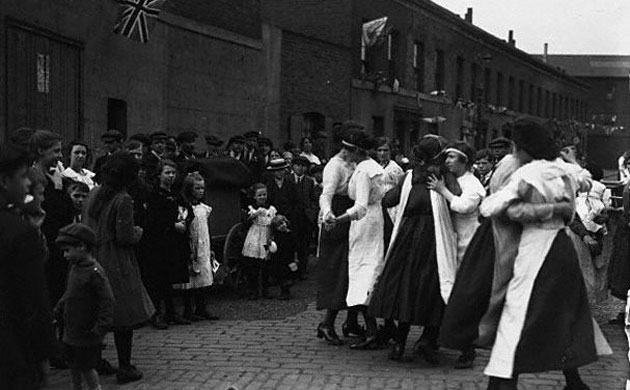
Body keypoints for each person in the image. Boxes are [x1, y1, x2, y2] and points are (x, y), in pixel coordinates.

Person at [479, 118, 596, 390]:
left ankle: (502, 383)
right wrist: (573, 162)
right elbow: (586, 180)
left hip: (535, 249)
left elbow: (493, 207)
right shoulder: (563, 169)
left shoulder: (524, 172)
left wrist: (543, 210)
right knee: (560, 311)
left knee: (517, 314)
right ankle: (573, 379)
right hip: (562, 246)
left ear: (522, 146)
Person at [368, 135, 458, 363]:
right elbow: (458, 197)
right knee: (433, 285)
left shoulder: (409, 176)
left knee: (404, 284)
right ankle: (427, 340)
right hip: (432, 237)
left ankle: (400, 341)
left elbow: (388, 200)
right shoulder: (443, 176)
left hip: (408, 235)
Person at [83, 151, 154, 384]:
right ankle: (125, 366)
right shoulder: (123, 199)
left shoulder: (94, 193)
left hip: (93, 255)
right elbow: (124, 236)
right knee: (123, 312)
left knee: (96, 309)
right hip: (116, 259)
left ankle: (96, 359)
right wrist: (138, 233)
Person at [0, 143, 55, 390]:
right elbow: (34, 301)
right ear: (4, 180)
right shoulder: (19, 232)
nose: (26, 186)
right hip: (13, 351)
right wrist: (44, 356)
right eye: (22, 177)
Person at [330, 129, 385, 349]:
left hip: (364, 224)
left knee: (363, 272)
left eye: (349, 150)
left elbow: (360, 207)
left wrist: (338, 219)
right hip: (375, 220)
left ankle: (372, 331)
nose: (346, 155)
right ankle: (366, 327)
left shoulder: (363, 171)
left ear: (356, 151)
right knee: (369, 271)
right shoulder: (374, 166)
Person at [30, 130, 74, 367]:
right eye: (55, 151)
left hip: (54, 248)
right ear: (40, 151)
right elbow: (55, 215)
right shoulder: (36, 179)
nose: (59, 157)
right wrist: (57, 190)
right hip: (45, 248)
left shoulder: (49, 176)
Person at [316, 121, 363, 346]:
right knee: (339, 271)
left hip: (354, 216)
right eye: (354, 150)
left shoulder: (354, 164)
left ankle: (351, 321)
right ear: (346, 149)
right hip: (338, 216)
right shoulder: (334, 166)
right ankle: (328, 323)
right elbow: (326, 194)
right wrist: (327, 214)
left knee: (355, 269)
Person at [54, 223, 115, 390]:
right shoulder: (74, 268)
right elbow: (70, 293)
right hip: (71, 330)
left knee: (87, 367)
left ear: (81, 247)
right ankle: (76, 387)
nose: (65, 255)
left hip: (87, 332)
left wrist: (101, 326)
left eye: (68, 250)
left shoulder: (95, 273)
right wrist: (59, 308)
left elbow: (107, 300)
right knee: (73, 364)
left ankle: (95, 388)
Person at [142, 159, 192, 328]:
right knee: (158, 280)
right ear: (159, 175)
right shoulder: (154, 195)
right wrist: (172, 225)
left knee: (170, 279)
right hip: (158, 243)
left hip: (174, 243)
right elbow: (152, 220)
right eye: (167, 173)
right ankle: (156, 314)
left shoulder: (176, 195)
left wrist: (185, 219)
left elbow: (187, 211)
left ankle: (171, 312)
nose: (171, 176)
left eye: (173, 173)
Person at [172, 173, 219, 321]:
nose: (201, 191)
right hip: (191, 245)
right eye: (197, 188)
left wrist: (210, 248)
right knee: (190, 278)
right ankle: (188, 309)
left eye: (202, 188)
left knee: (202, 277)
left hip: (203, 244)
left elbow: (205, 228)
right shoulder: (185, 208)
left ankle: (201, 307)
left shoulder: (204, 208)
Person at [428, 141, 485, 264]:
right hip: (453, 235)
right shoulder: (451, 179)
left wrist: (442, 190)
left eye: (452, 157)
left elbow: (464, 206)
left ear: (464, 161)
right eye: (447, 157)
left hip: (468, 236)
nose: (447, 161)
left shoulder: (472, 182)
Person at [241, 183, 277, 299]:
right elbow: (245, 224)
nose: (262, 197)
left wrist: (272, 236)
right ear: (254, 197)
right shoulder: (251, 209)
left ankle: (265, 291)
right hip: (254, 236)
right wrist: (252, 217)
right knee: (253, 266)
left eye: (264, 194)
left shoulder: (271, 209)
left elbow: (274, 223)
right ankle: (253, 291)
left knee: (266, 266)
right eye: (259, 195)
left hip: (266, 235)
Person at [288, 156, 318, 279]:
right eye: (298, 165)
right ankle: (290, 270)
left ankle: (302, 270)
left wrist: (312, 213)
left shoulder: (309, 181)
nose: (300, 168)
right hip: (291, 216)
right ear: (293, 167)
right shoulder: (288, 179)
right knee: (290, 243)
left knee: (303, 244)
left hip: (305, 217)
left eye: (303, 166)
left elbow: (314, 200)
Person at [375, 137, 405, 247]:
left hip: (391, 206)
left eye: (385, 150)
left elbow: (401, 187)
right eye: (379, 150)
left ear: (390, 152)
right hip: (379, 203)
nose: (382, 153)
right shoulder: (375, 166)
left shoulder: (395, 169)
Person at [268, 215, 297, 300]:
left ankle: (286, 290)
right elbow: (272, 247)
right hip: (278, 258)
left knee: (289, 273)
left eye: (283, 223)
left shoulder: (289, 234)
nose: (282, 226)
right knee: (280, 275)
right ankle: (283, 291)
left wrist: (295, 257)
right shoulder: (275, 236)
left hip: (289, 257)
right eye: (279, 225)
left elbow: (294, 246)